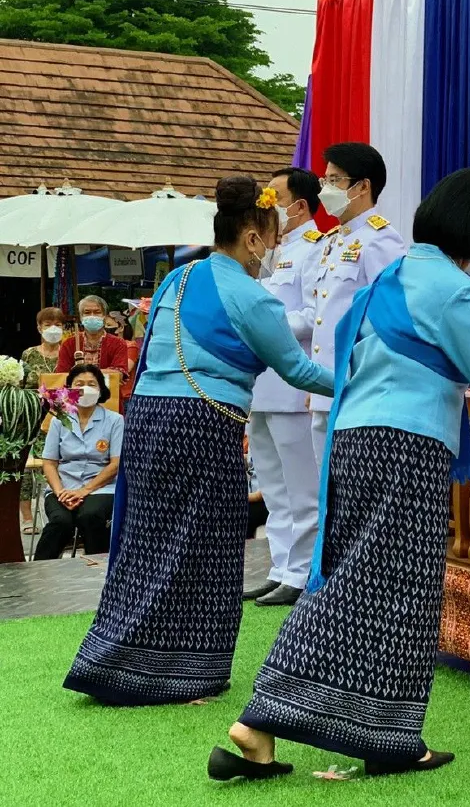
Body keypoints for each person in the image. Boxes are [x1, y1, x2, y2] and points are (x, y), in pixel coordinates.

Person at [210, 168, 470, 782]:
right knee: (378, 590)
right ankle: (263, 721)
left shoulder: (393, 274)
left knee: (377, 589)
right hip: (404, 447)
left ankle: (379, 736)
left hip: (356, 438)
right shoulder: (456, 293)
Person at [62, 175, 334, 707]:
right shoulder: (255, 299)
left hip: (146, 418)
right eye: (272, 238)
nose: (275, 249)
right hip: (203, 425)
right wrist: (358, 382)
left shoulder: (178, 278)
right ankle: (186, 675)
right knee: (205, 547)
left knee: (145, 540)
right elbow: (300, 371)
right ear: (252, 238)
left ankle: (112, 661)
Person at [306, 142, 406, 506]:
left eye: (335, 180)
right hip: (323, 384)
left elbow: (386, 318)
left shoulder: (380, 240)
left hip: (354, 383)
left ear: (362, 186)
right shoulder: (333, 241)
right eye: (324, 179)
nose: (325, 190)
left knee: (350, 492)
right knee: (325, 492)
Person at [244, 167, 326, 607]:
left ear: (298, 205)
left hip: (294, 384)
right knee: (273, 485)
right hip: (261, 383)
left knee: (301, 487)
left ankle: (302, 571)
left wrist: (264, 325)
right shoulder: (269, 250)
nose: (267, 204)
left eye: (274, 197)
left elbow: (314, 316)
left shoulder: (317, 248)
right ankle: (280, 566)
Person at [34, 365, 123, 559]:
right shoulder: (59, 420)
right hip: (63, 487)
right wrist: (60, 492)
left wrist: (85, 490)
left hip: (101, 488)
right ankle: (37, 574)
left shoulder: (115, 421)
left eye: (92, 384)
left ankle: (98, 572)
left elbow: (115, 464)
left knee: (90, 517)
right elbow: (49, 462)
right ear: (69, 390)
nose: (85, 388)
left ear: (101, 389)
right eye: (79, 384)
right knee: (60, 522)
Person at [19, 306, 65, 533]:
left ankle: (55, 518)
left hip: (61, 419)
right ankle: (27, 518)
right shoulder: (29, 354)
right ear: (39, 328)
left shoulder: (69, 352)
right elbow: (21, 386)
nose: (53, 329)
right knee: (26, 468)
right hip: (33, 419)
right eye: (47, 324)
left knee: (56, 467)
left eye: (57, 324)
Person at [55, 295, 130, 375]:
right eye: (87, 312)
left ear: (104, 316)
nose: (92, 316)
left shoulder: (118, 343)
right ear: (81, 317)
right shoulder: (69, 343)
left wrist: (80, 372)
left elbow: (119, 374)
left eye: (97, 312)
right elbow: (61, 374)